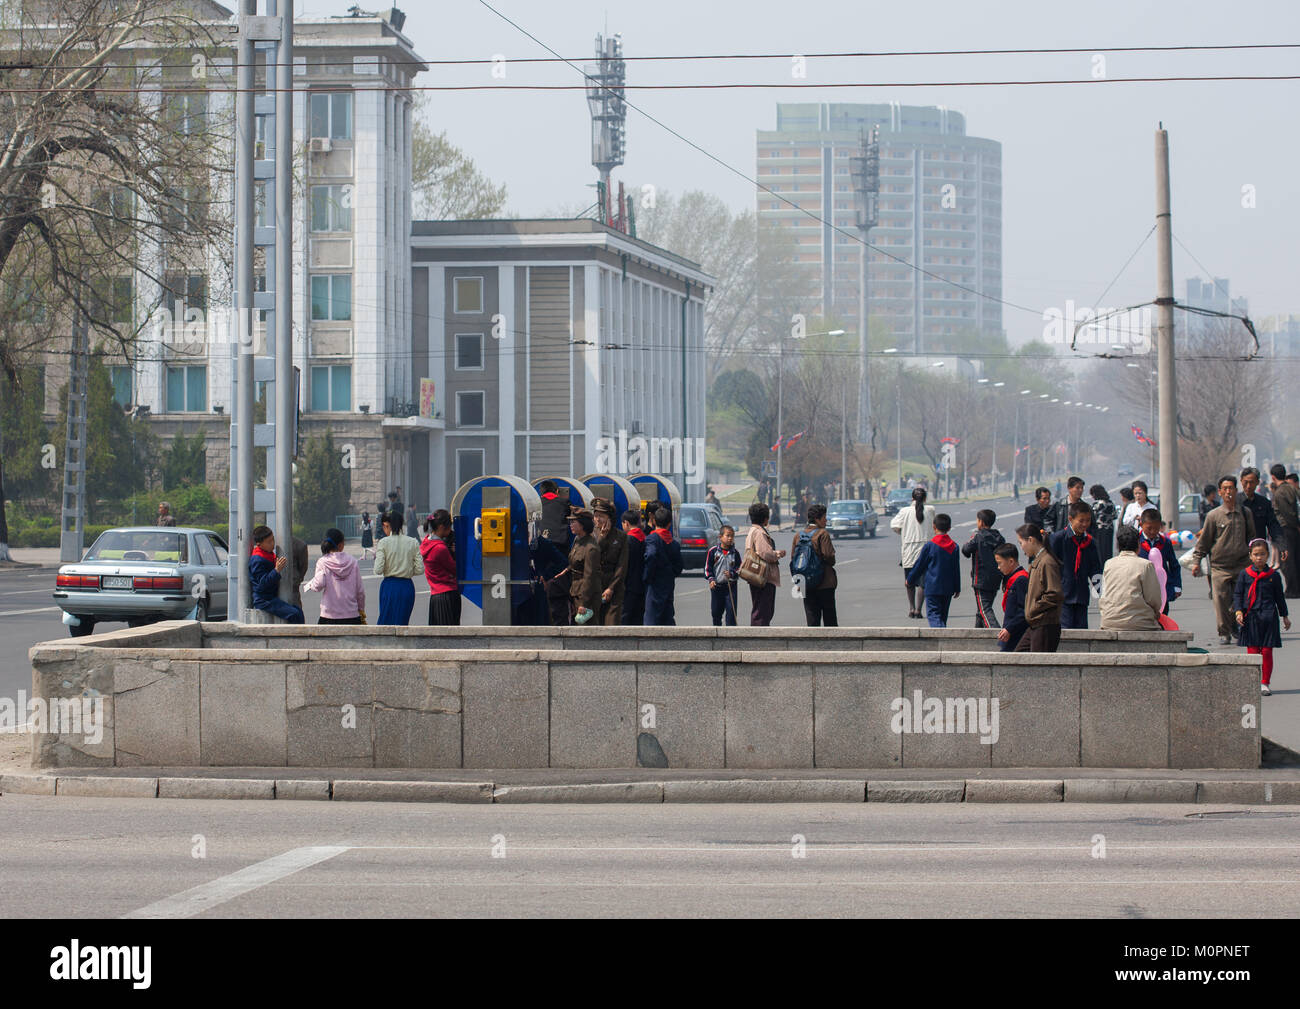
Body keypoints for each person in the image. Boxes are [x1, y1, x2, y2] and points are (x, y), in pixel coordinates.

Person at [1191, 475, 1257, 644]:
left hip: (1242, 564)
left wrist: (1256, 560)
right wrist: (1196, 561)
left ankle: (1237, 626)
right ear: (1220, 492)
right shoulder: (1213, 516)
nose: (1228, 492)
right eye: (1225, 489)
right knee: (1220, 601)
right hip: (1220, 567)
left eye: (1231, 488)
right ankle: (1224, 632)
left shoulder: (1245, 513)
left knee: (1241, 599)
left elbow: (1252, 539)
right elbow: (1204, 541)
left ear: (1236, 491)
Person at [1235, 538, 1290, 695]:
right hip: (1250, 616)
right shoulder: (1244, 575)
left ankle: (1264, 682)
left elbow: (1279, 597)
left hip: (1269, 616)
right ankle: (1253, 681)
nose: (1259, 557)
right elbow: (1238, 594)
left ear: (1268, 555)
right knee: (1252, 651)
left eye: (1263, 554)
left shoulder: (1274, 576)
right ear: (1250, 556)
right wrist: (1238, 611)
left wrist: (1284, 616)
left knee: (1266, 651)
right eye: (1256, 554)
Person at [1098, 525, 1164, 631]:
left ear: (1118, 545)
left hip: (1109, 621)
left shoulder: (1109, 564)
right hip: (1140, 622)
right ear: (1138, 544)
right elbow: (1154, 599)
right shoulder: (1145, 565)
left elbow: (1103, 596)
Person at [1049, 501, 1101, 629]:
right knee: (1065, 631)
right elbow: (1049, 567)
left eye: (1088, 521)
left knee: (1082, 631)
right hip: (1062, 595)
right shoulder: (1058, 539)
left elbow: (1095, 570)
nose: (1085, 524)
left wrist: (1101, 593)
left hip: (1081, 595)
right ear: (1070, 519)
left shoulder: (1091, 542)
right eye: (1081, 521)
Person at [906, 513, 961, 627]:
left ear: (934, 526)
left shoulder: (930, 546)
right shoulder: (954, 546)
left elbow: (919, 565)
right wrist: (957, 587)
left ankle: (941, 636)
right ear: (949, 528)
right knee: (942, 616)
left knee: (933, 615)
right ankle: (943, 637)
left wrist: (910, 579)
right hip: (948, 588)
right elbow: (956, 569)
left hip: (933, 587)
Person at [1014, 523, 1063, 652]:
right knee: (1018, 658)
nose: (1021, 547)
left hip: (1045, 624)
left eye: (1021, 543)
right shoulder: (1038, 561)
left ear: (1030, 540)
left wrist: (1034, 609)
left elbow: (1054, 594)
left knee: (1038, 668)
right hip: (1036, 624)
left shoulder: (1047, 562)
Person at [302, 528, 365, 624]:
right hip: (352, 615)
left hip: (329, 616)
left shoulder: (323, 562)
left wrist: (310, 585)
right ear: (340, 545)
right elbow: (360, 591)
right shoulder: (353, 562)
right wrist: (361, 609)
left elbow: (318, 585)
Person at [891, 487, 935, 619]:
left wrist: (902, 532)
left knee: (909, 581)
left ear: (912, 498)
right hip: (925, 549)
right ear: (925, 498)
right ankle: (918, 609)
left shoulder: (904, 511)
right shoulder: (930, 510)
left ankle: (911, 608)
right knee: (923, 582)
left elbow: (894, 525)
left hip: (909, 550)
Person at [791, 503, 837, 627]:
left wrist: (799, 583)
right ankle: (833, 644)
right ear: (817, 519)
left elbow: (793, 561)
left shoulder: (798, 536)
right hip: (825, 583)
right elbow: (829, 556)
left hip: (806, 583)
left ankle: (812, 645)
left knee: (812, 618)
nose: (826, 520)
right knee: (829, 619)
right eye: (824, 517)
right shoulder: (822, 534)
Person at [248, 525, 304, 624]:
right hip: (264, 600)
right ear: (259, 544)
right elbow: (262, 584)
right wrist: (276, 570)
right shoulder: (257, 559)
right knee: (294, 614)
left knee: (298, 610)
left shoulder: (268, 554)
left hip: (271, 596)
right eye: (269, 542)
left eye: (273, 540)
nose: (272, 544)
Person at [373, 509, 421, 625]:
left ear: (386, 525)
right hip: (407, 587)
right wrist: (406, 570)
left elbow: (378, 570)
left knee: (386, 623)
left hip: (389, 586)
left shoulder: (383, 542)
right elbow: (420, 569)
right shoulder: (412, 542)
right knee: (403, 624)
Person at [962, 508, 1005, 628]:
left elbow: (965, 550)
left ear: (980, 522)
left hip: (981, 579)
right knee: (982, 608)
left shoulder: (978, 536)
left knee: (984, 609)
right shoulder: (999, 537)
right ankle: (978, 633)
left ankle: (996, 634)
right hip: (996, 578)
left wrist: (971, 540)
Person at [744, 501, 784, 626]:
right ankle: (759, 639)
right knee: (763, 611)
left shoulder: (752, 530)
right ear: (765, 518)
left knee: (760, 608)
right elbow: (764, 553)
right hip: (763, 577)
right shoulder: (760, 532)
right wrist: (777, 554)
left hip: (754, 575)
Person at [1137, 507, 1182, 615]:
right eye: (1149, 528)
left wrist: (1177, 585)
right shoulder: (1136, 541)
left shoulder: (1165, 542)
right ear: (1141, 524)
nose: (1153, 532)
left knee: (1162, 618)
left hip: (1161, 588)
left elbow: (1174, 565)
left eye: (1156, 528)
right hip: (1141, 588)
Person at [642, 506, 682, 626]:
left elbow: (651, 555)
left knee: (651, 618)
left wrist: (647, 576)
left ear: (654, 521)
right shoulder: (674, 543)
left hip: (654, 583)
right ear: (669, 524)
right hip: (668, 582)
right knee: (667, 615)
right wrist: (671, 573)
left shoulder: (652, 539)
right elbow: (679, 565)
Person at [1240, 467, 1286, 570]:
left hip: (1258, 553)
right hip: (1239, 553)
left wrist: (1281, 545)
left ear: (1257, 482)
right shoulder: (1235, 503)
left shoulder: (1264, 503)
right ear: (1241, 481)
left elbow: (1273, 525)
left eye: (1251, 482)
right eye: (1245, 482)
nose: (1248, 486)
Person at [421, 509, 461, 625]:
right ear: (443, 527)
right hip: (447, 596)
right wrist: (456, 554)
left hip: (435, 596)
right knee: (449, 637)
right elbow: (455, 569)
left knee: (437, 637)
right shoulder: (440, 549)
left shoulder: (426, 542)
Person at [563, 508, 602, 626]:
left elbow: (589, 576)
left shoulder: (591, 548)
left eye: (574, 522)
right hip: (576, 591)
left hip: (586, 595)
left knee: (587, 629)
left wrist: (584, 603)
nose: (571, 525)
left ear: (583, 524)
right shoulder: (578, 540)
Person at [593, 497, 628, 625]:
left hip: (613, 587)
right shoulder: (591, 535)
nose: (597, 519)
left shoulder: (621, 536)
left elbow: (622, 565)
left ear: (610, 518)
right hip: (594, 585)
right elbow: (592, 556)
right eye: (596, 515)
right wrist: (602, 538)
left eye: (601, 516)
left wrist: (611, 588)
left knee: (611, 623)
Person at [1269, 463, 1300, 597]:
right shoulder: (1293, 489)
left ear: (1273, 477)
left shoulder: (1280, 492)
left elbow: (1287, 513)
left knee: (1287, 560)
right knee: (1295, 558)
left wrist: (1295, 525)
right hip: (1294, 528)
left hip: (1286, 528)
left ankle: (1293, 589)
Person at [994, 543, 1029, 651]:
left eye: (1000, 563)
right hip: (1011, 630)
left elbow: (1024, 610)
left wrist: (1009, 628)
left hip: (1016, 632)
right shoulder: (1013, 578)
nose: (998, 567)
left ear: (1011, 561)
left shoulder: (1021, 579)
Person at [706, 524, 741, 626]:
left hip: (731, 587)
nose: (730, 538)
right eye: (728, 535)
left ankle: (731, 637)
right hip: (717, 587)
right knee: (716, 612)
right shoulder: (713, 552)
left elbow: (739, 569)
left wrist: (732, 574)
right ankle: (717, 635)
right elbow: (708, 568)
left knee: (731, 613)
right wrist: (711, 579)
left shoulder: (735, 553)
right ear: (720, 537)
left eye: (732, 536)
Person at [621, 508, 646, 625]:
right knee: (638, 619)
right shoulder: (645, 538)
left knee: (625, 618)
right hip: (642, 585)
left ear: (626, 523)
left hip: (628, 585)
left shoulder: (627, 540)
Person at [1089, 484, 1116, 568]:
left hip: (1099, 530)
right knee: (1108, 550)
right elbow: (1115, 516)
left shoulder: (1098, 504)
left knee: (1100, 551)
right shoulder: (1110, 503)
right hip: (1109, 530)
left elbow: (1092, 517)